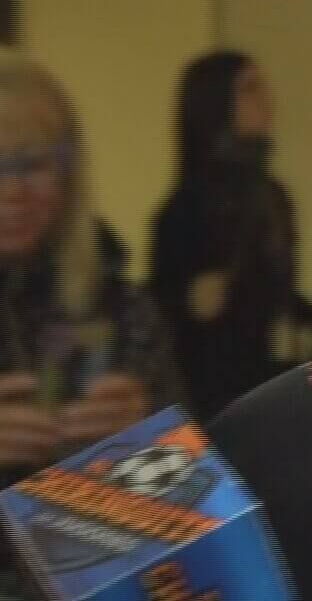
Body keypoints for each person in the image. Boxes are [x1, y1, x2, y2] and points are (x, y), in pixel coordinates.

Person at [0, 51, 179, 477]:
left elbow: (193, 502)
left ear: (68, 174)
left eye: (32, 163)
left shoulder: (122, 310)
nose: (11, 190)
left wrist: (146, 441)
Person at [149, 52, 312, 420]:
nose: (267, 98)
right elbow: (156, 308)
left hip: (261, 382)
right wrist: (187, 300)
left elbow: (266, 287)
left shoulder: (272, 197)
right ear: (216, 103)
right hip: (204, 396)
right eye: (250, 88)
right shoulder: (185, 208)